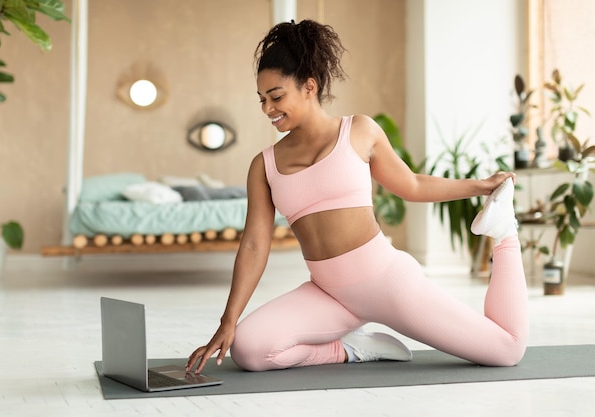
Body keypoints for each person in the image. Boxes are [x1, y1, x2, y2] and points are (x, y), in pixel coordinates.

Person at [186, 19, 528, 374]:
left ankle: (505, 234)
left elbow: (411, 185)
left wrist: (480, 186)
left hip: (387, 283)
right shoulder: (264, 165)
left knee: (506, 350)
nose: (267, 109)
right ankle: (351, 348)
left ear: (309, 86)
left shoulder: (359, 131)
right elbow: (255, 244)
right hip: (328, 292)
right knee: (251, 351)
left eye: (276, 96)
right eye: (262, 99)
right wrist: (229, 320)